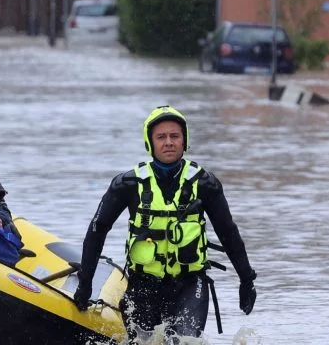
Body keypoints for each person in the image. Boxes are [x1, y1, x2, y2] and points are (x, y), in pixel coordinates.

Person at [72, 105, 257, 341]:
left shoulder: (205, 184)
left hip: (190, 284)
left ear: (184, 141)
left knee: (185, 340)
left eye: (175, 136)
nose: (168, 142)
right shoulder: (126, 184)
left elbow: (228, 232)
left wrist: (246, 279)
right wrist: (85, 283)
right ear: (150, 143)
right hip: (144, 285)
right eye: (161, 137)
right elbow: (98, 230)